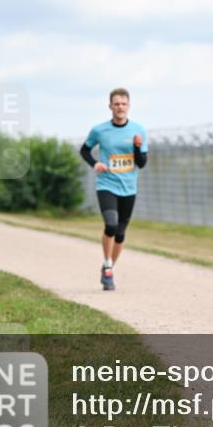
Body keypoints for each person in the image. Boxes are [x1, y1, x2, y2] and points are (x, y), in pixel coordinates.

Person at [79, 88, 148, 291]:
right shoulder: (99, 130)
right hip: (106, 184)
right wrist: (94, 164)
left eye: (123, 103)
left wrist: (137, 147)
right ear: (110, 106)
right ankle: (108, 265)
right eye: (116, 103)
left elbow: (142, 163)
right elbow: (84, 150)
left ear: (129, 106)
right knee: (110, 224)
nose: (120, 107)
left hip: (129, 187)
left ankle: (108, 267)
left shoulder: (138, 130)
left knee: (120, 233)